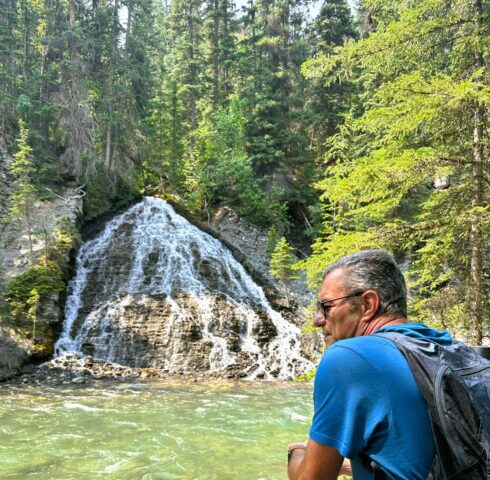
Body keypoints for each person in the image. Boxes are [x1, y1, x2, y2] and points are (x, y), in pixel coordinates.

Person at [287, 250, 453, 480]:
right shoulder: (443, 347)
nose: (317, 320)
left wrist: (297, 452)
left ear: (368, 304)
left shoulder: (348, 357)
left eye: (327, 306)